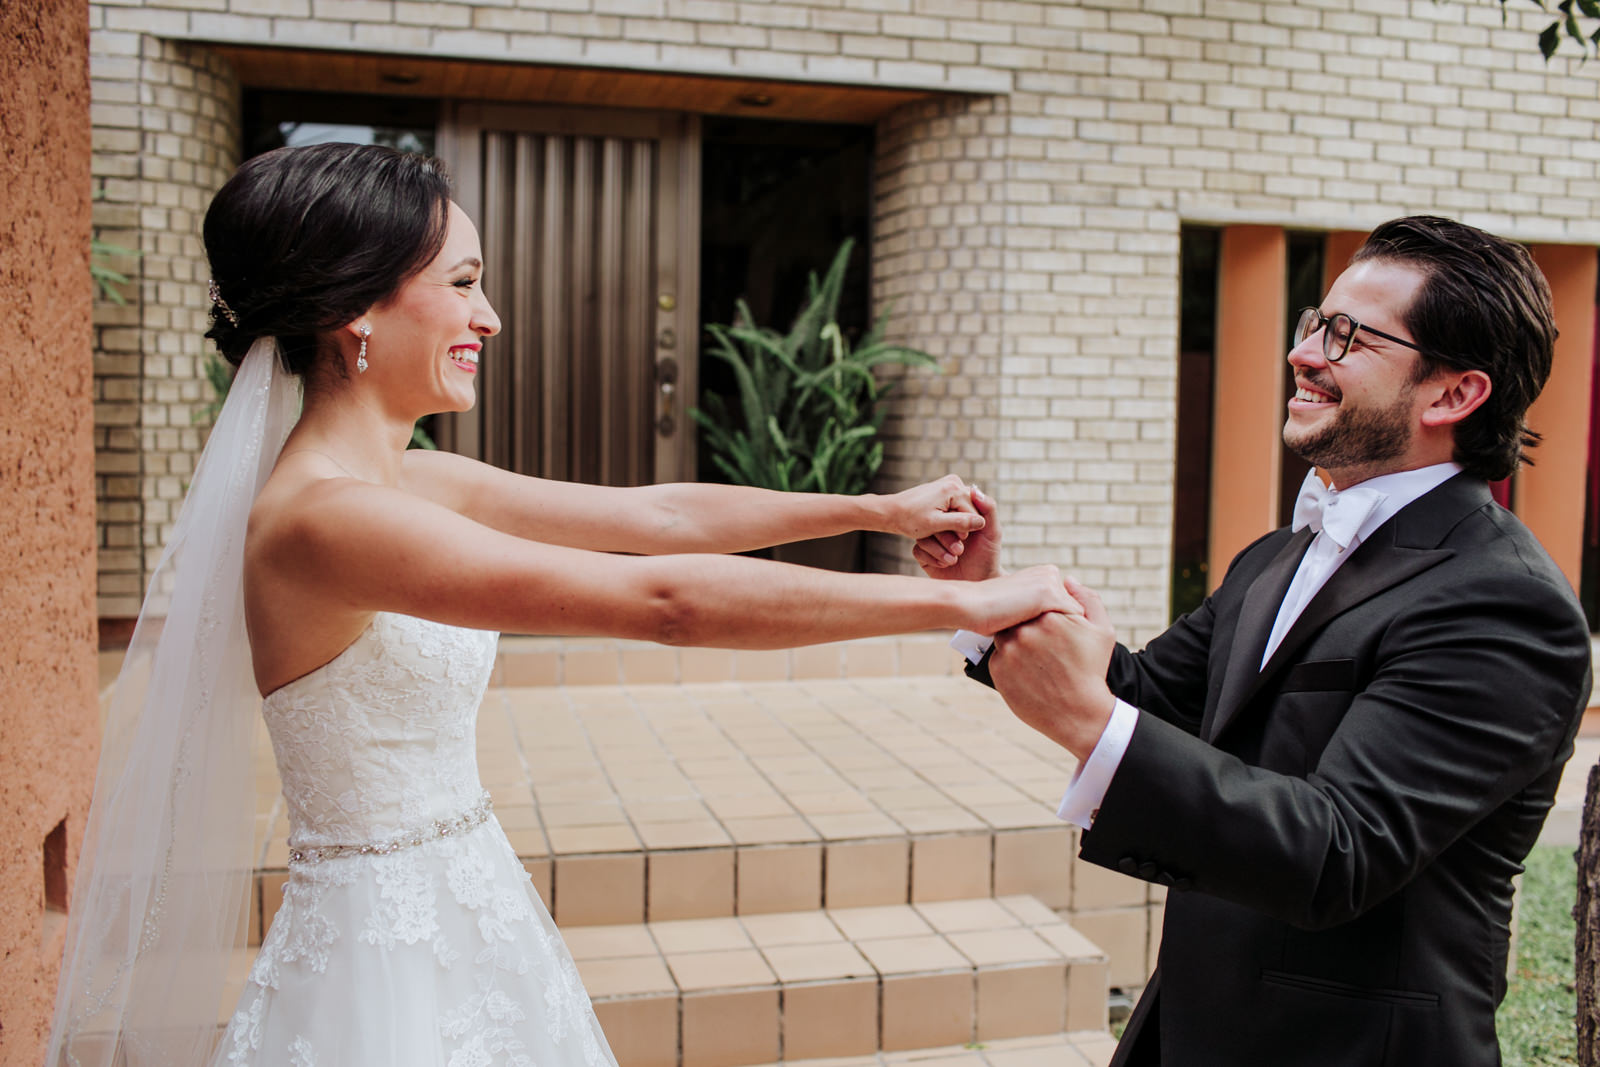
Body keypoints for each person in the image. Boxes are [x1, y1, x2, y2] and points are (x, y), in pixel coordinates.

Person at [48, 143, 1078, 1067]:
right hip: (382, 963)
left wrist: (877, 505)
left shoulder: (402, 478)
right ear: (355, 311)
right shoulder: (325, 520)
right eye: (463, 283)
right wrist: (973, 604)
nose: (488, 316)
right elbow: (663, 598)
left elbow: (658, 518)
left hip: (470, 901)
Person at [919, 216, 1594, 1066]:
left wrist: (1089, 722)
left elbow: (1340, 847)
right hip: (1195, 1023)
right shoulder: (1280, 555)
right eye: (1318, 321)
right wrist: (986, 597)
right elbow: (1148, 694)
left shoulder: (1504, 603)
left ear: (1452, 394)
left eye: (1349, 336)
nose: (1304, 352)